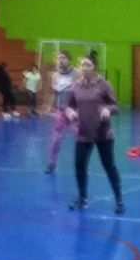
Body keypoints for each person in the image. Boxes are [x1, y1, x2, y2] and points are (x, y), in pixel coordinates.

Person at [64, 55, 123, 213]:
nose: (84, 68)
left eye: (88, 65)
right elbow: (69, 106)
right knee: (79, 165)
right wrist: (70, 112)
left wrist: (108, 110)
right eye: (82, 65)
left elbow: (115, 106)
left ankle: (119, 199)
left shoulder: (103, 85)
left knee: (109, 166)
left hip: (103, 134)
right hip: (83, 133)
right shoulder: (76, 86)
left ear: (94, 67)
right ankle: (82, 198)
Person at [45, 51, 76, 173]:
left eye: (63, 58)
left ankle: (81, 162)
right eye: (59, 58)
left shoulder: (77, 73)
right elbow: (54, 93)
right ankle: (52, 163)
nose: (60, 60)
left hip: (75, 111)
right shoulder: (55, 76)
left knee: (80, 137)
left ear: (69, 59)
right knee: (56, 139)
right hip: (61, 111)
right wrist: (49, 106)